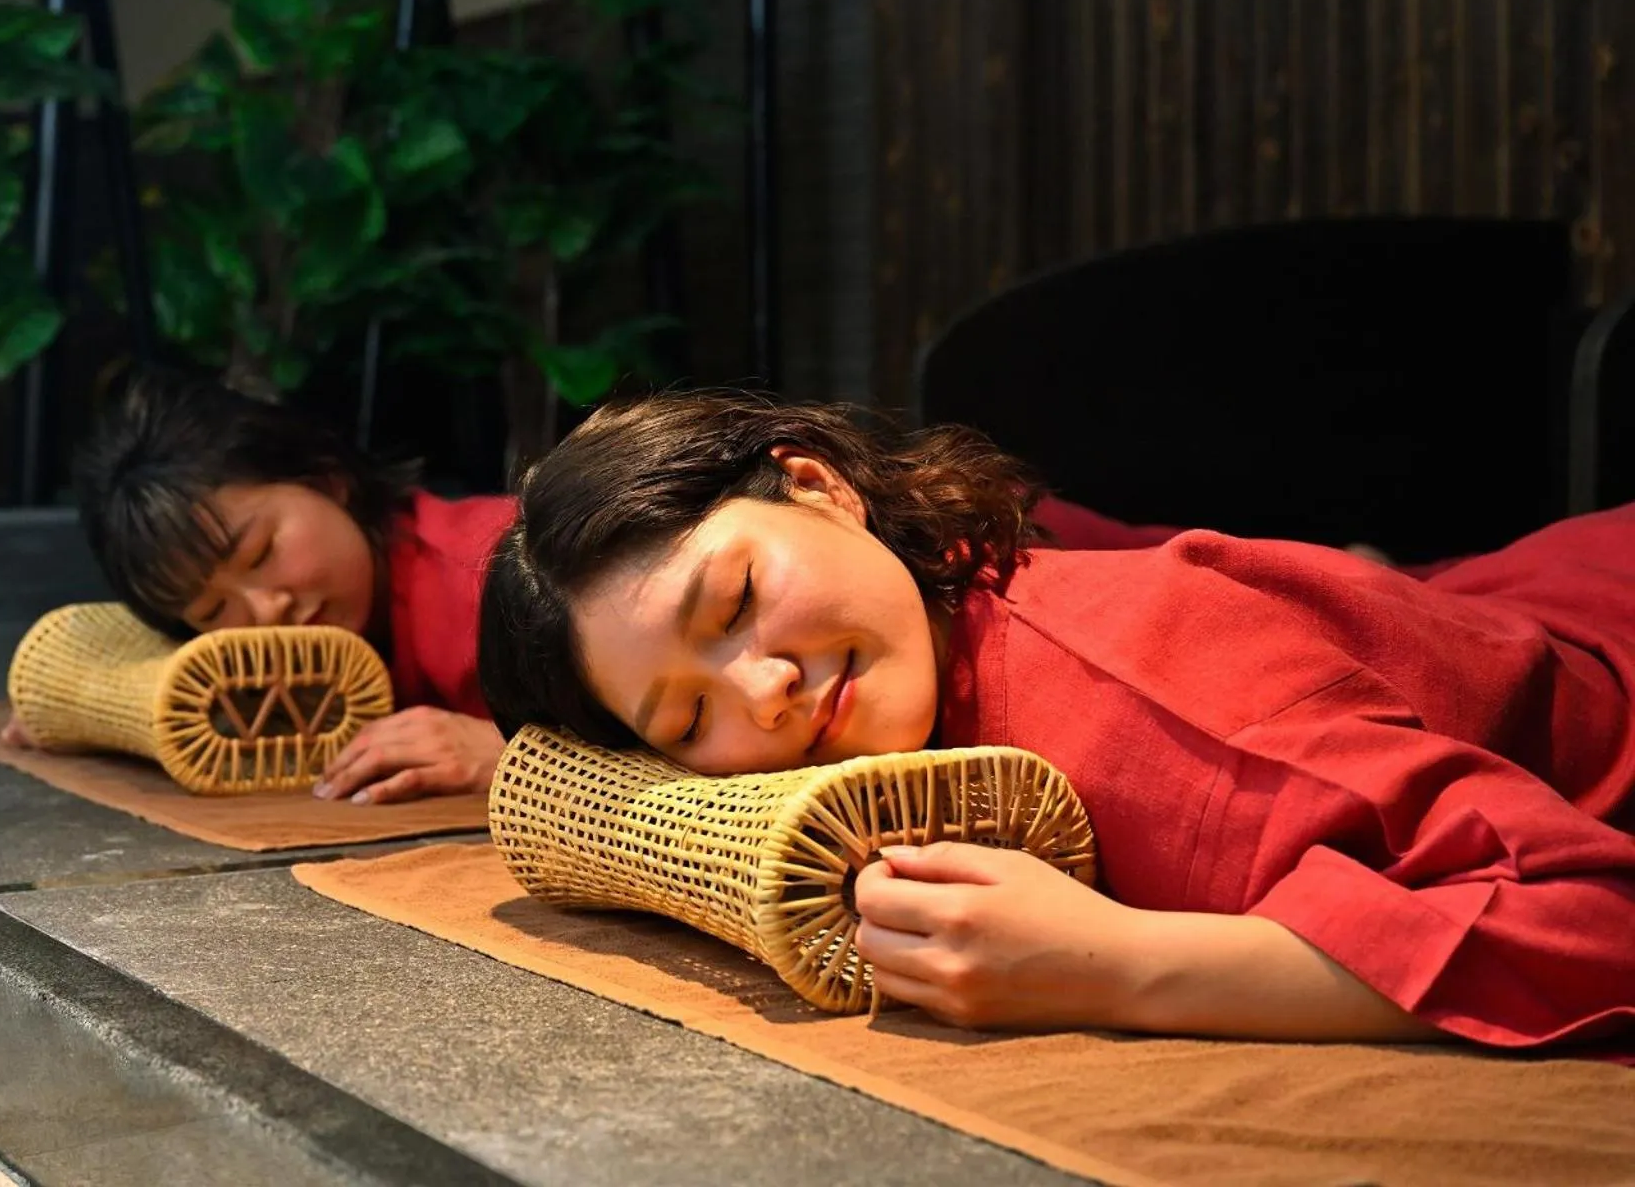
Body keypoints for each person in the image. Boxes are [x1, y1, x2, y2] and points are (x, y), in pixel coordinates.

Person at [477, 390, 1635, 1053]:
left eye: (733, 601)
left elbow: (1591, 918)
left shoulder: (1145, 705)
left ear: (821, 486)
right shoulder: (929, 628)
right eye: (685, 718)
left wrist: (1123, 966)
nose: (759, 691)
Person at [6, 369, 514, 804]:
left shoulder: (505, 579)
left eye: (261, 552)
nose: (266, 611)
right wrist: (84, 712)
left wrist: (505, 758)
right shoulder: (266, 665)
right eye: (210, 609)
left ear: (327, 482)